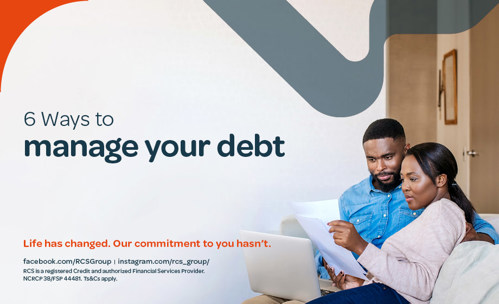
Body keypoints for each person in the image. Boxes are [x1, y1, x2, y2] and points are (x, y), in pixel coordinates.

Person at [242, 119, 498, 304]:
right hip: (343, 282)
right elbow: (331, 245)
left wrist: (476, 238)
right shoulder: (351, 198)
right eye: (372, 160)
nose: (380, 167)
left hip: (387, 287)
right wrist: (328, 266)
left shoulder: (424, 195)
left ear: (405, 150)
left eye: (388, 157)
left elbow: (472, 224)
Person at [307, 142, 479, 304]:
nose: (404, 187)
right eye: (403, 179)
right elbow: (407, 278)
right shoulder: (437, 212)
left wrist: (360, 246)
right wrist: (359, 285)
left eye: (413, 179)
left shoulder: (442, 211)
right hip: (386, 292)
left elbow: (424, 285)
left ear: (440, 180)